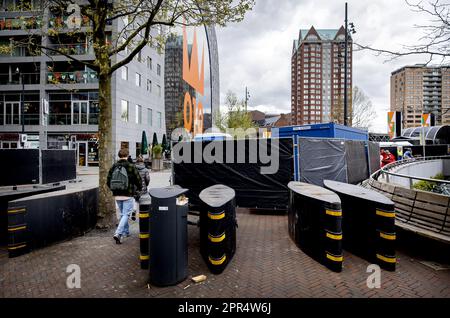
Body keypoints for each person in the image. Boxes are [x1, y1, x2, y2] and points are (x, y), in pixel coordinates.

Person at [107, 148, 142, 244]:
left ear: (119, 155)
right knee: (126, 214)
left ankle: (126, 232)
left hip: (117, 194)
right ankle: (118, 233)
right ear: (127, 155)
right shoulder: (131, 166)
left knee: (123, 214)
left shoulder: (114, 166)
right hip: (128, 194)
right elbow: (138, 179)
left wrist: (114, 189)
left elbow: (108, 180)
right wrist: (139, 188)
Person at [131, 155, 150, 220]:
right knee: (142, 200)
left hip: (135, 188)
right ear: (143, 162)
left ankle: (134, 210)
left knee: (135, 199)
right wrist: (146, 185)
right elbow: (147, 179)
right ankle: (143, 215)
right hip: (143, 188)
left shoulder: (133, 169)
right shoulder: (145, 170)